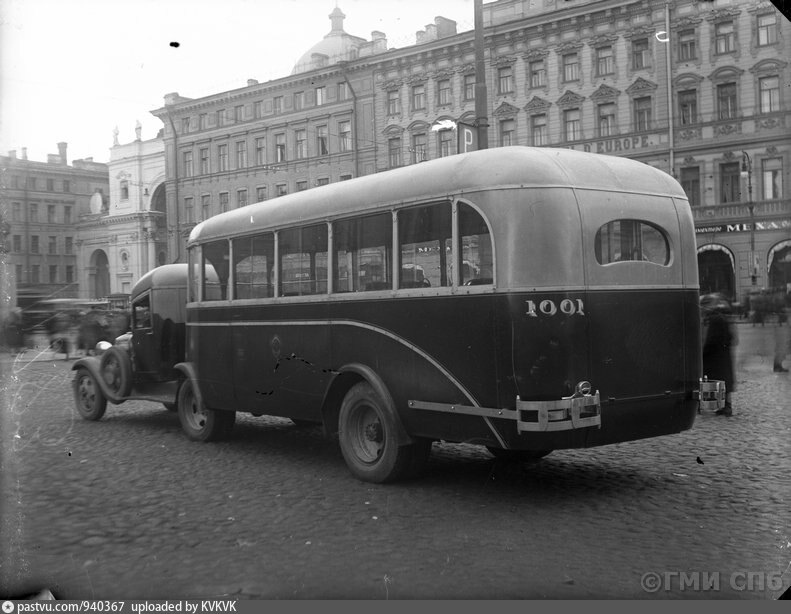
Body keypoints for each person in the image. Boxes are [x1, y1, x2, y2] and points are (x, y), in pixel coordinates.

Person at [701, 293, 737, 416]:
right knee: (723, 381)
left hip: (716, 357)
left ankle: (725, 406)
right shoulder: (721, 317)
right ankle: (725, 405)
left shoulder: (714, 319)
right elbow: (731, 337)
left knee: (717, 380)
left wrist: (703, 352)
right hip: (723, 356)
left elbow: (712, 339)